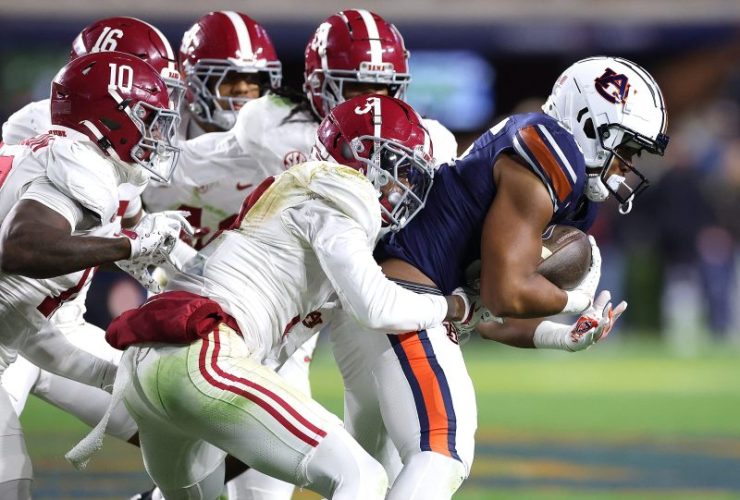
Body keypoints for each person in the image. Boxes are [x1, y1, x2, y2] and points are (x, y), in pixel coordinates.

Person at [139, 10, 459, 498]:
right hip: (241, 326)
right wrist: (452, 305)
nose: (373, 103)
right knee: (353, 474)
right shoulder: (282, 137)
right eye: (358, 89)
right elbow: (169, 173)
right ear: (318, 85)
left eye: (385, 90)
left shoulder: (420, 137)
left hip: (263, 324)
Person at [324, 56, 669, 499]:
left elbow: (487, 315)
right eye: (628, 148)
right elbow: (505, 292)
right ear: (590, 124)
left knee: (372, 479)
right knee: (442, 450)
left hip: (394, 307)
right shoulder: (550, 151)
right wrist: (574, 300)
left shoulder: (566, 184)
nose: (629, 164)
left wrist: (563, 336)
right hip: (408, 303)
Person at [0, 15, 191, 467]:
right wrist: (128, 245)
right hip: (26, 324)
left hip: (40, 323)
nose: (160, 112)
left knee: (192, 432)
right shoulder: (74, 151)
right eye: (148, 100)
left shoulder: (96, 153)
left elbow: (131, 227)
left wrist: (199, 273)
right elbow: (25, 247)